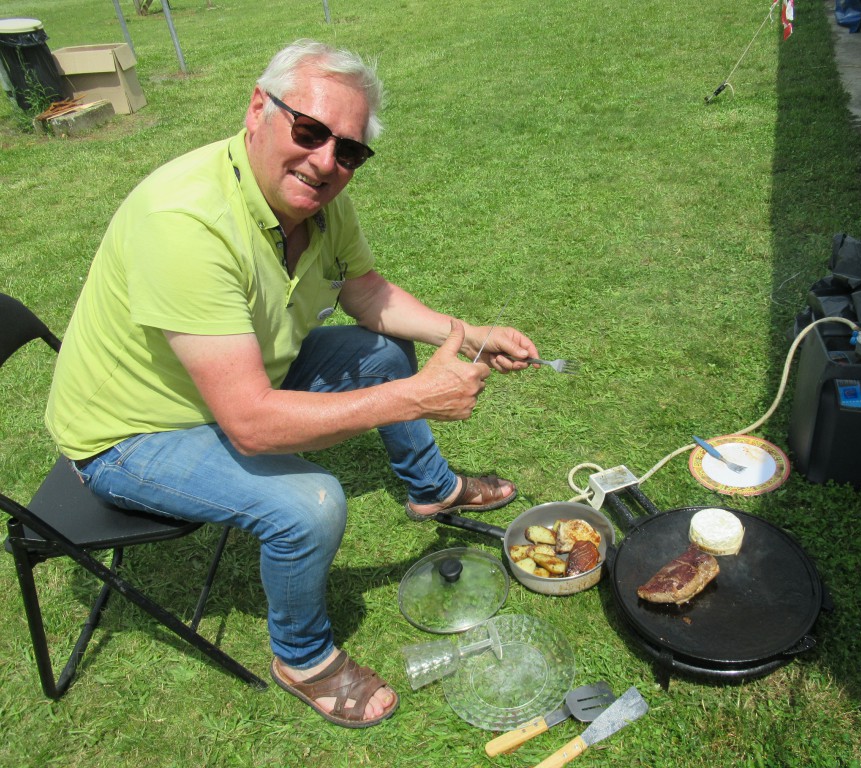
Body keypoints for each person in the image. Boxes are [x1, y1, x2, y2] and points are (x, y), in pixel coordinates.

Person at [44, 38, 539, 728]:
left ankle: (433, 491)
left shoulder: (317, 201)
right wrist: (417, 397)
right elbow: (250, 424)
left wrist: (472, 332)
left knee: (379, 352)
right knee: (310, 503)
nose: (325, 161)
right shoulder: (185, 221)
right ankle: (302, 659)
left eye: (349, 151)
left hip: (246, 372)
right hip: (134, 432)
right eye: (308, 131)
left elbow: (365, 291)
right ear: (258, 109)